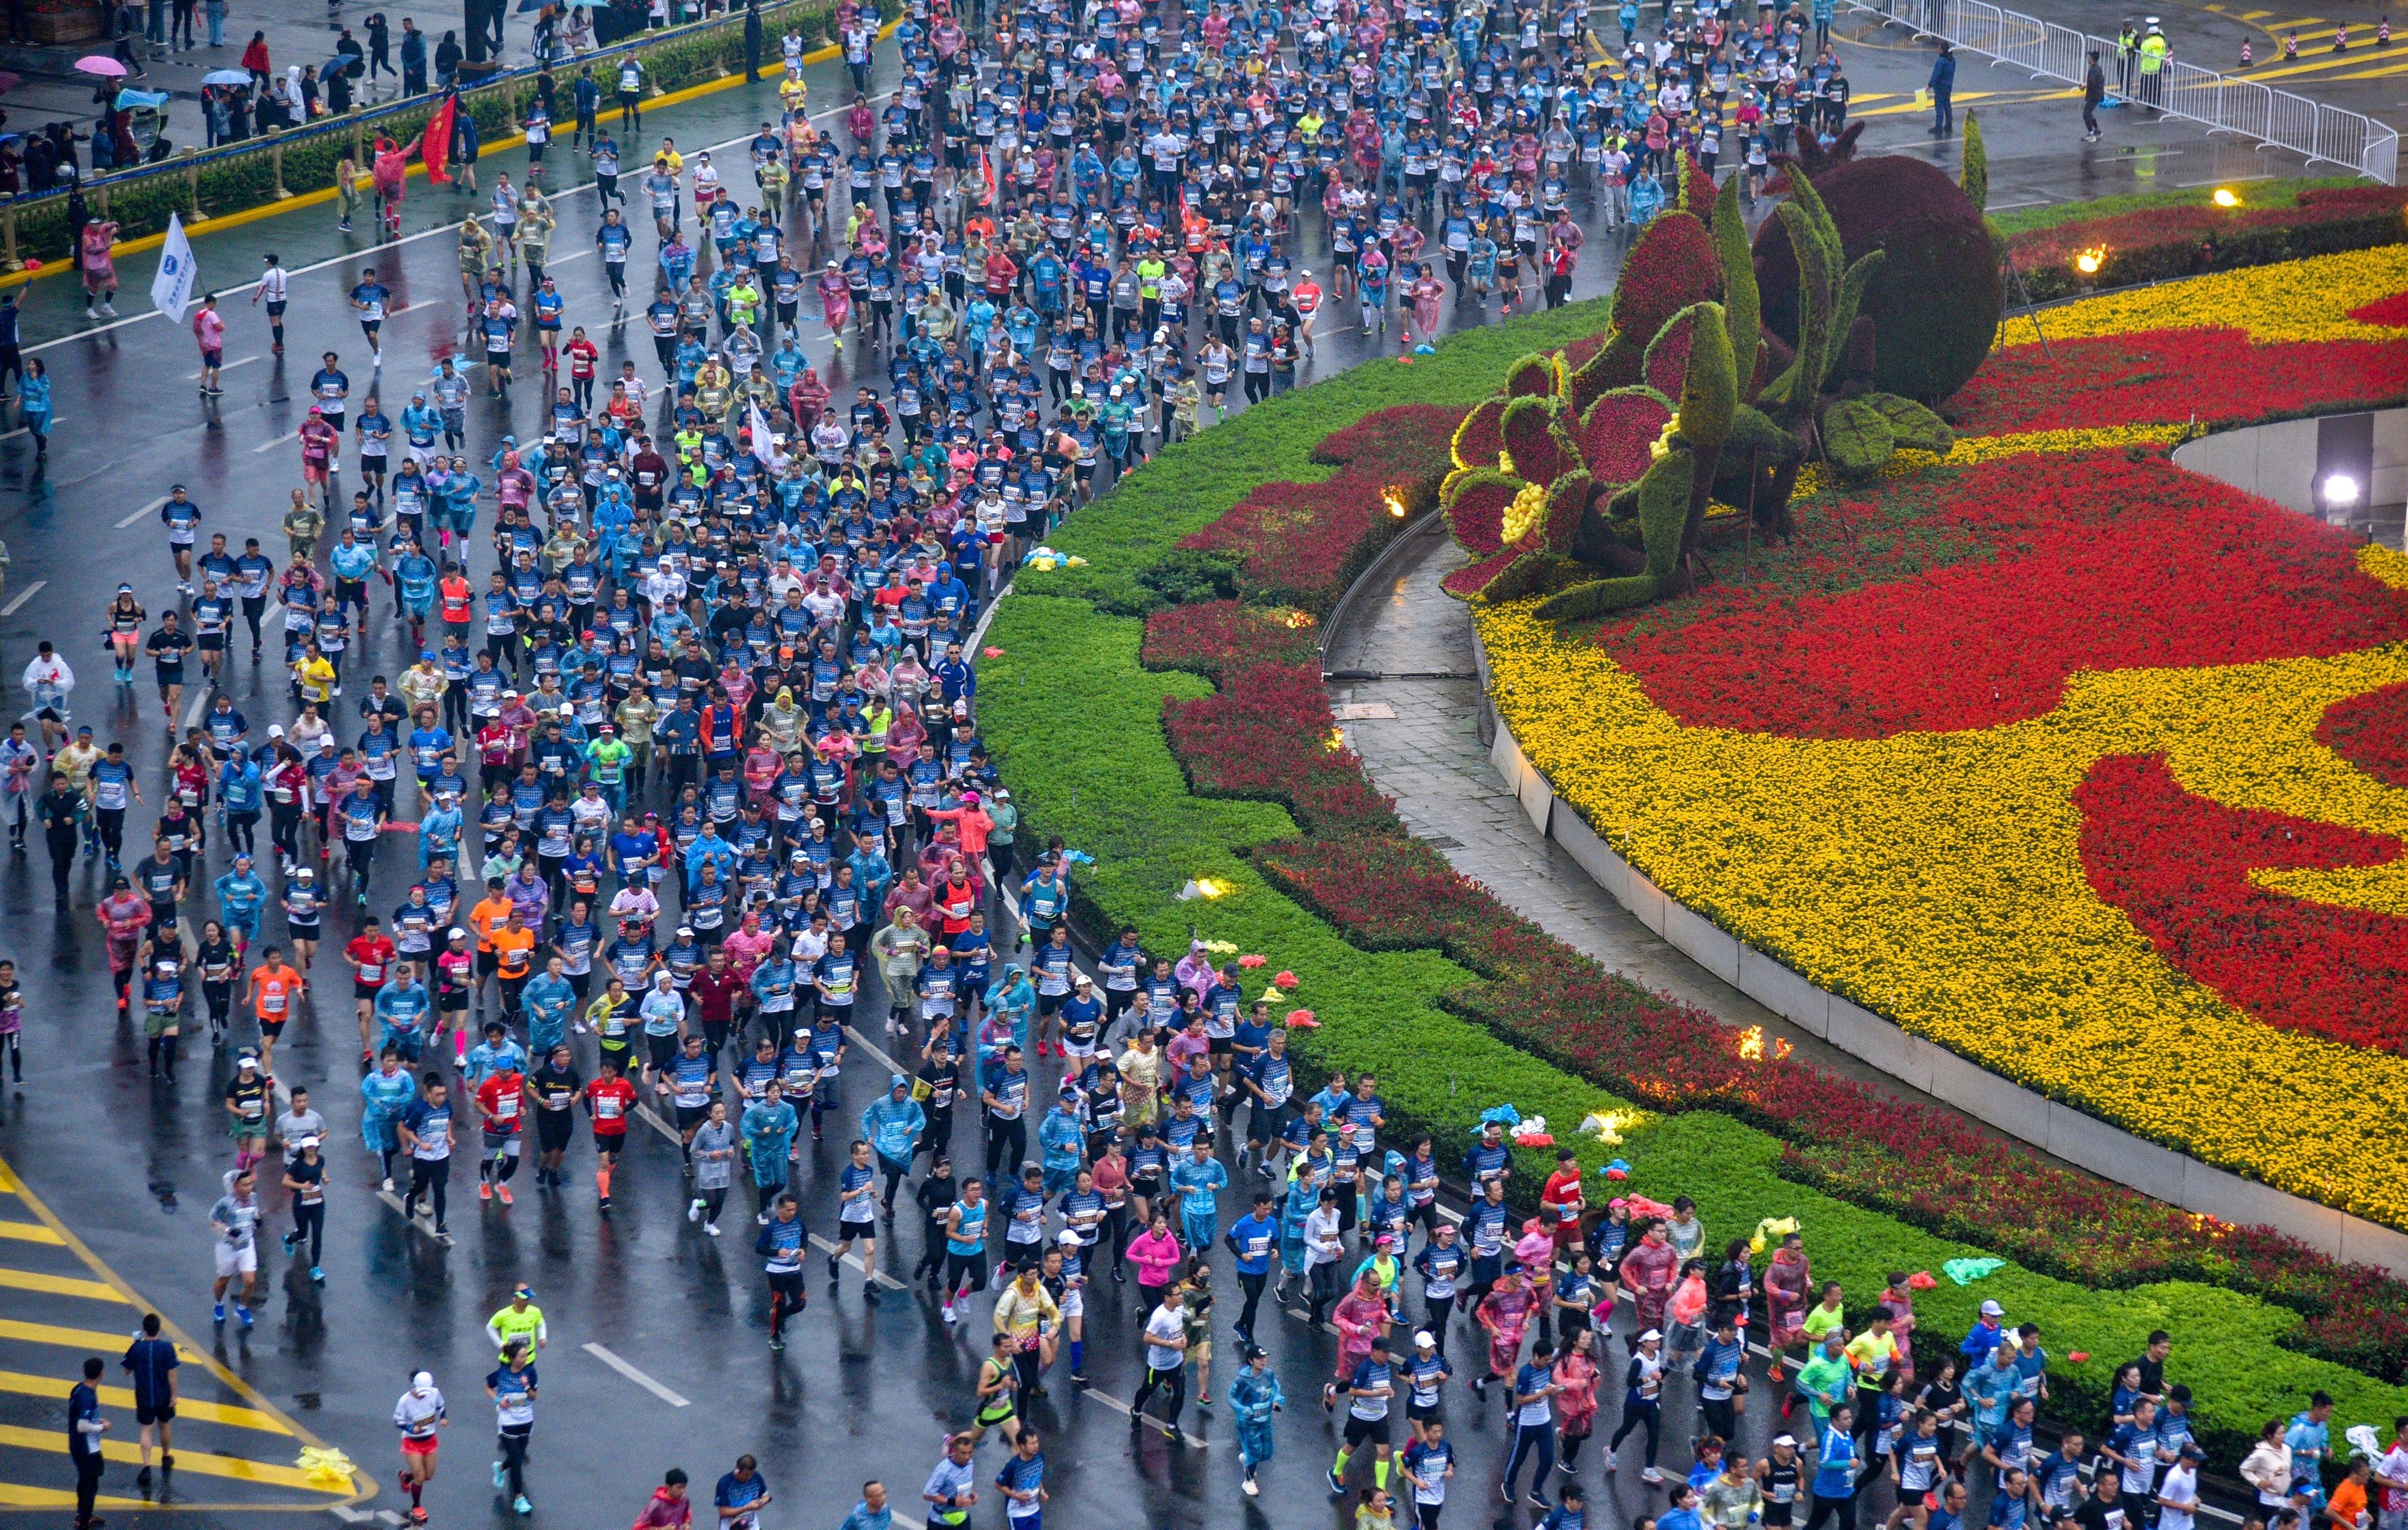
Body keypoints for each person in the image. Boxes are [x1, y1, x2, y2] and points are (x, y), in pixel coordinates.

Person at [121, 1313, 178, 1484]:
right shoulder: (168, 1348)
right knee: (165, 1425)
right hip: (164, 1396)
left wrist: (134, 1347)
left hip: (144, 1396)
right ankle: (166, 1456)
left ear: (144, 1329)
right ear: (159, 1328)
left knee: (146, 1429)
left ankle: (146, 1466)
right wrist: (174, 1396)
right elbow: (172, 1373)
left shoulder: (137, 1349)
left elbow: (126, 1371)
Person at [485, 1338, 537, 1516]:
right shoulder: (501, 1374)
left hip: (526, 1420)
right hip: (508, 1422)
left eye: (526, 1356)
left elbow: (534, 1396)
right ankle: (519, 1498)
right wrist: (499, 1400)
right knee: (516, 1460)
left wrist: (527, 1386)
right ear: (513, 1358)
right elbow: (488, 1387)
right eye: (522, 1356)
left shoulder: (530, 1373)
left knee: (519, 1456)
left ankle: (499, 1468)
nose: (525, 1359)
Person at [393, 1370, 447, 1524]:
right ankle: (416, 1506)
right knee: (421, 1476)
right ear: (414, 1387)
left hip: (430, 1440)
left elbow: (441, 1406)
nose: (423, 1396)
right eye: (420, 1393)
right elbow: (397, 1421)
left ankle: (406, 1477)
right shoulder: (405, 1401)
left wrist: (443, 1418)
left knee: (428, 1475)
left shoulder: (434, 1393)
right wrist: (410, 1428)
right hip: (412, 1442)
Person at [1231, 1340, 1285, 1496]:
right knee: (1255, 1451)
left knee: (1266, 1453)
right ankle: (1248, 1482)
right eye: (1259, 1358)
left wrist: (1276, 1400)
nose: (1263, 1361)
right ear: (1251, 1361)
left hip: (1265, 1420)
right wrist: (1243, 1410)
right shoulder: (1242, 1380)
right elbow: (1232, 1398)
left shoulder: (1269, 1375)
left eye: (1264, 1357)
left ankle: (1247, 1458)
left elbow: (1276, 1389)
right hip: (1249, 1422)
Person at [69, 1354, 107, 1530]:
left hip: (76, 1445)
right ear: (101, 1374)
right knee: (90, 1485)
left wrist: (95, 1421)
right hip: (87, 1448)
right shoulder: (89, 1397)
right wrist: (101, 1427)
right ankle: (83, 1521)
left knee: (85, 1482)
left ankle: (84, 1515)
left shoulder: (78, 1389)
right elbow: (82, 1425)